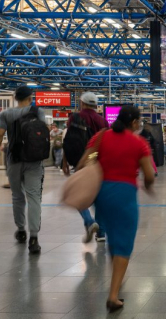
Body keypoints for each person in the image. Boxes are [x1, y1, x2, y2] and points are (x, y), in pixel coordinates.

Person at [78, 106, 154, 312]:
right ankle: (113, 296)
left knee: (112, 236)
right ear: (135, 122)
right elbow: (148, 174)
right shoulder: (139, 143)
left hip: (101, 194)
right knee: (124, 243)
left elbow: (82, 163)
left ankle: (116, 279)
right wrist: (149, 187)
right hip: (124, 195)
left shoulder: (101, 136)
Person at [0, 86, 46, 254]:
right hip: (35, 161)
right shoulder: (38, 112)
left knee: (17, 196)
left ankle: (21, 230)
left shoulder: (5, 114)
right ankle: (34, 238)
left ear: (16, 98)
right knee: (34, 197)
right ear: (30, 98)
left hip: (14, 160)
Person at [63, 92, 110, 243]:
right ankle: (101, 233)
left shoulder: (75, 118)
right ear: (96, 105)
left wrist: (65, 161)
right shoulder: (102, 121)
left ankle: (89, 221)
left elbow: (68, 139)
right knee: (100, 197)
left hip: (80, 161)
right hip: (99, 161)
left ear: (82, 103)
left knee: (79, 193)